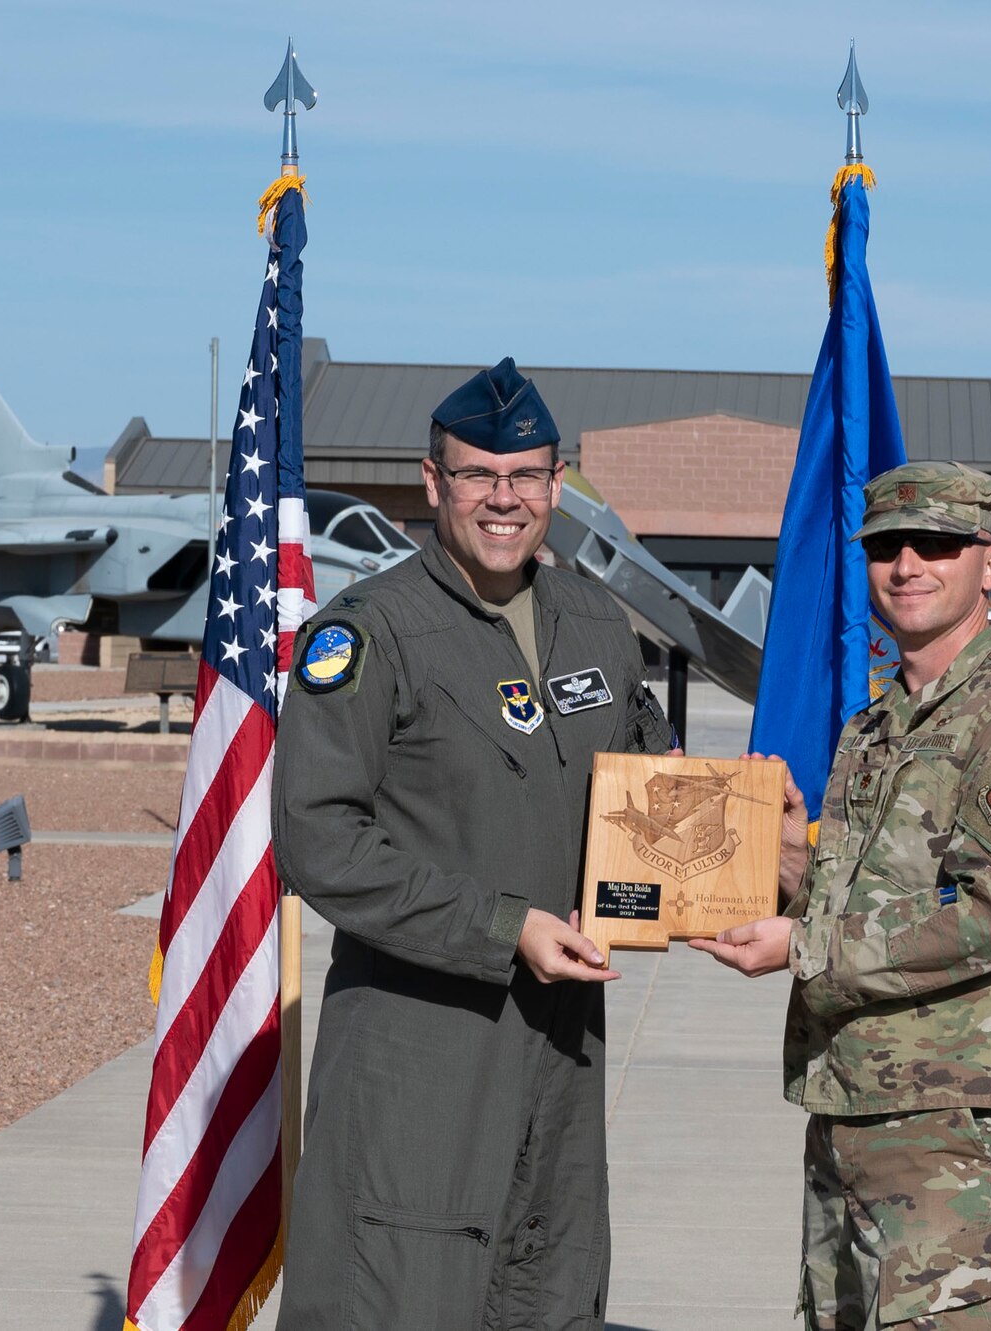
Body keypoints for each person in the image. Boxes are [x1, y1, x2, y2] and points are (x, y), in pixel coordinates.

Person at [274, 358, 674, 1329]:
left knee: (548, 1282)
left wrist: (758, 843)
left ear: (556, 482)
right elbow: (316, 837)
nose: (504, 498)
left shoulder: (594, 622)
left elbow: (651, 784)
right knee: (402, 1291)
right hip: (424, 1041)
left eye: (527, 475)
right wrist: (502, 926)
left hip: (564, 1042)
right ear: (431, 481)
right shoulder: (370, 633)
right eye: (477, 475)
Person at [693, 460, 991, 1331]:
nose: (908, 563)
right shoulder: (874, 727)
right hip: (851, 1095)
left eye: (938, 544)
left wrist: (804, 949)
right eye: (886, 545)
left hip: (953, 1115)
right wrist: (790, 867)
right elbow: (872, 900)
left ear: (989, 565)